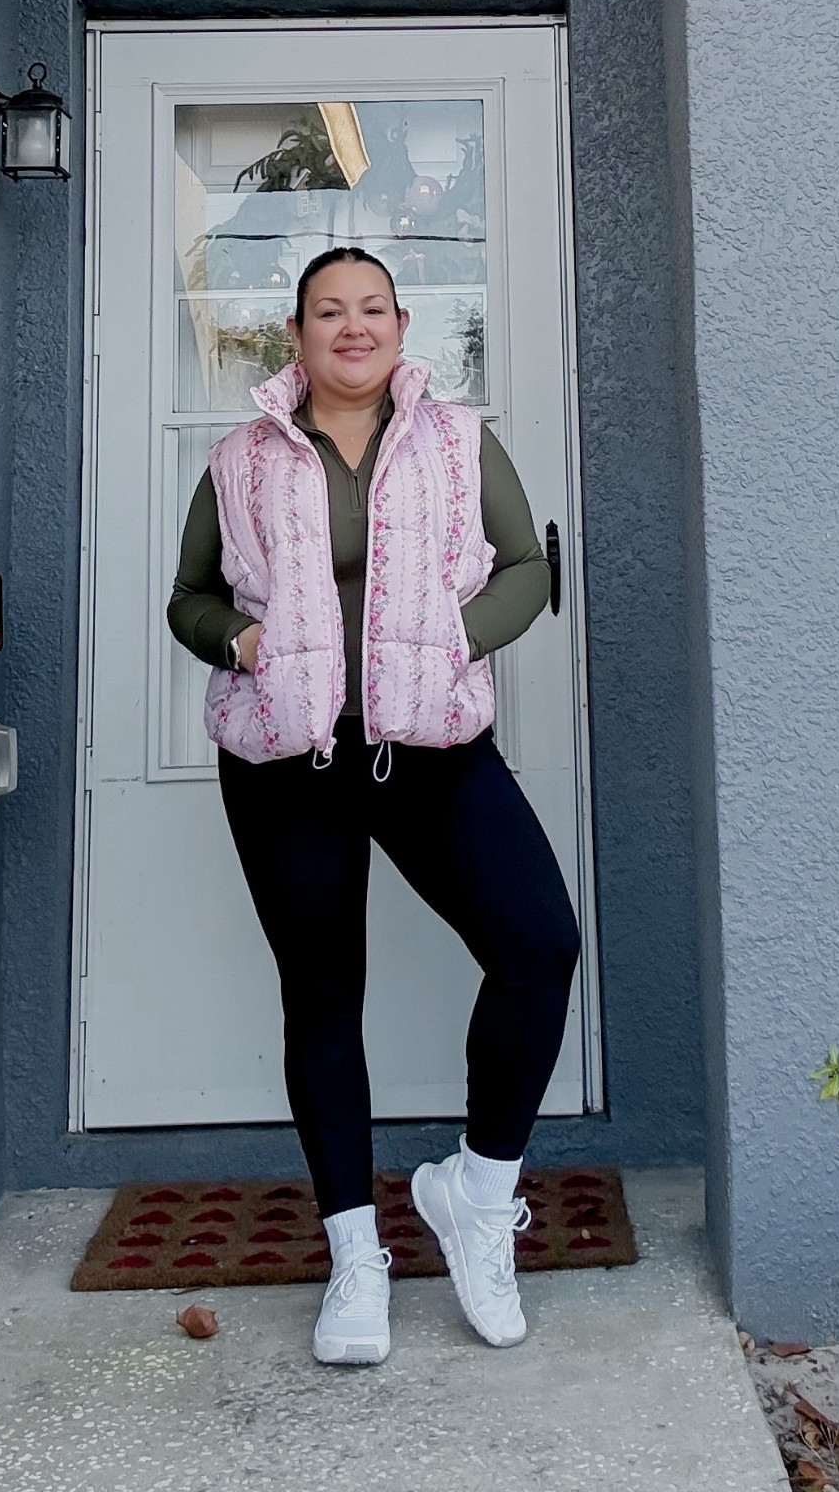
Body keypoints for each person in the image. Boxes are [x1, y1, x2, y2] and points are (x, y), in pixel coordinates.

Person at [167, 246, 581, 1366]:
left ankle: (478, 1195)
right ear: (293, 336)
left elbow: (525, 569)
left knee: (539, 945)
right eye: (326, 311)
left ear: (402, 324)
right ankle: (356, 1255)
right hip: (285, 758)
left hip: (432, 743)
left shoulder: (456, 439)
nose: (351, 326)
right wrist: (233, 638)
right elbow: (188, 593)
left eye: (371, 308)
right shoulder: (242, 457)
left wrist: (456, 640)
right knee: (322, 995)